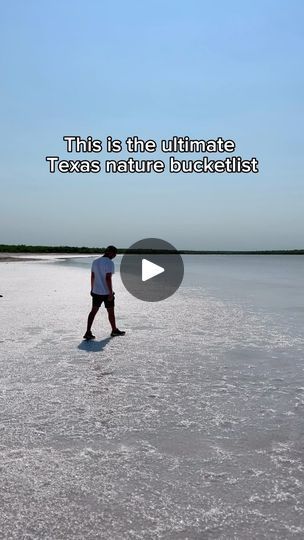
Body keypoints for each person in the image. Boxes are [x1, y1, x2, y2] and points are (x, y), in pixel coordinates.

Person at [83, 245, 125, 340]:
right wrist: (110, 293)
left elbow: (92, 276)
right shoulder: (109, 263)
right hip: (106, 293)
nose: (114, 256)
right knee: (110, 312)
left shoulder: (95, 261)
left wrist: (92, 289)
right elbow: (108, 278)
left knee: (93, 312)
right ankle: (114, 330)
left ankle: (88, 331)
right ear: (110, 253)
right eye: (114, 254)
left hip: (96, 291)